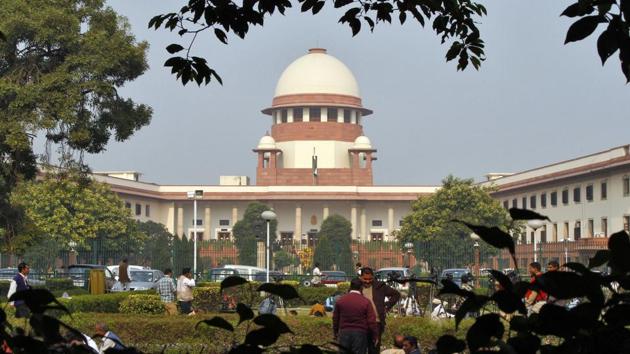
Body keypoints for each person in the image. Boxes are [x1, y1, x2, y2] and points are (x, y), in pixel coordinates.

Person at [360, 267, 401, 354]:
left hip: (376, 322)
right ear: (361, 277)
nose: (367, 281)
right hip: (361, 323)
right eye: (365, 279)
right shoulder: (357, 286)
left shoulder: (379, 286)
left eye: (370, 279)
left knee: (374, 348)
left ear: (373, 277)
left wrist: (387, 306)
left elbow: (396, 294)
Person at [333, 278, 379, 354]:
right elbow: (371, 321)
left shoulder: (341, 300)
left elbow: (335, 319)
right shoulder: (366, 302)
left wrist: (335, 332)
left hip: (344, 333)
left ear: (350, 287)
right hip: (360, 334)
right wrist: (375, 335)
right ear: (361, 287)